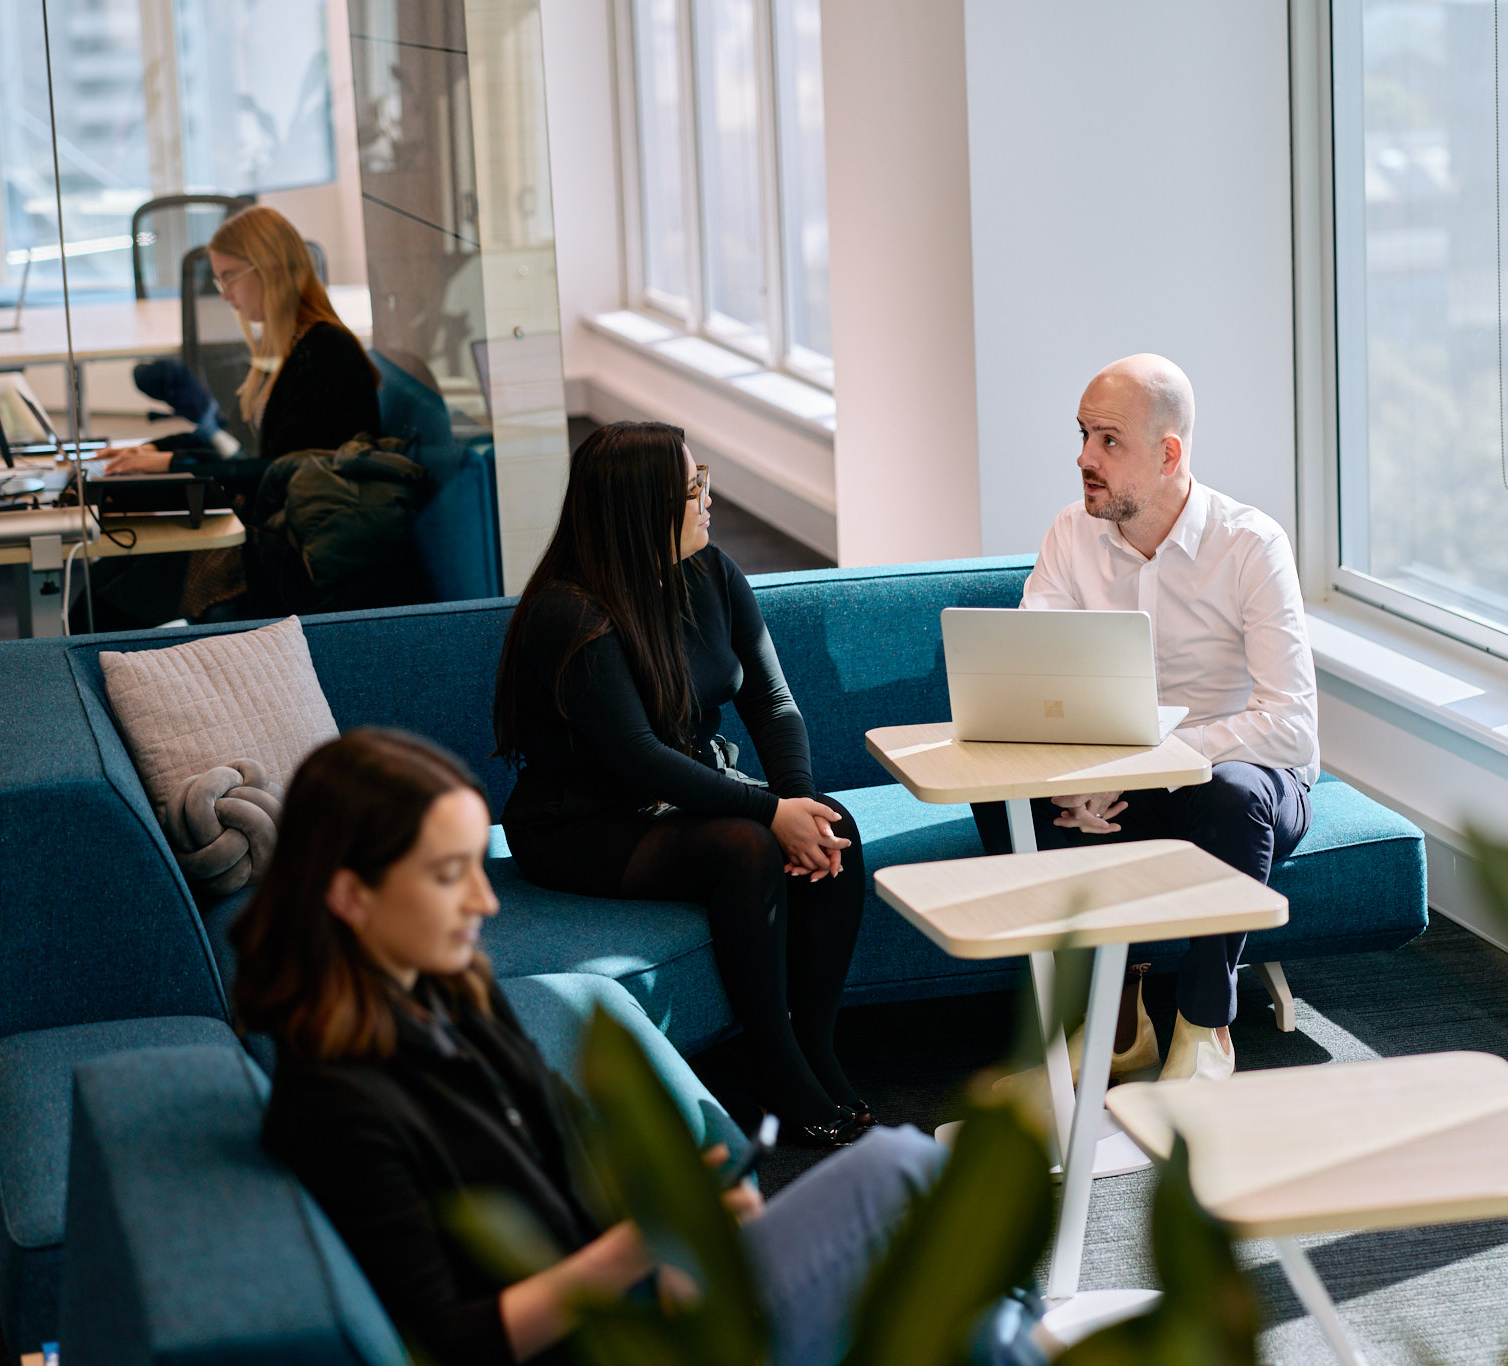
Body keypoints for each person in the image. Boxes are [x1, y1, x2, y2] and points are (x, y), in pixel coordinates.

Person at [235, 728, 1020, 1366]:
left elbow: (552, 1150)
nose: (484, 900)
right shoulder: (337, 1103)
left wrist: (680, 1228)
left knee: (929, 1219)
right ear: (350, 896)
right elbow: (450, 1341)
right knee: (904, 1173)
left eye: (477, 866)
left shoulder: (447, 991)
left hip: (648, 1301)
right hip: (615, 1343)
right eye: (448, 876)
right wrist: (643, 1245)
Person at [492, 422, 870, 1147]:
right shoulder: (569, 611)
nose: (707, 500)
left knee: (832, 825)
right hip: (582, 821)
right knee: (745, 848)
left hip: (684, 793)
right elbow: (637, 756)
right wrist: (769, 814)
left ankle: (815, 1049)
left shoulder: (712, 571)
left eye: (703, 482)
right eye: (692, 488)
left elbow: (772, 702)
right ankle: (777, 1067)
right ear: (641, 510)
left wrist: (795, 803)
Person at [973, 354, 1317, 1084]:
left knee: (1231, 792)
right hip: (1118, 783)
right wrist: (1070, 775)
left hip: (1234, 787)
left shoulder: (1251, 544)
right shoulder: (1071, 535)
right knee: (1004, 795)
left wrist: (1144, 762)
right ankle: (1115, 1019)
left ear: (1168, 454)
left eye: (1108, 441)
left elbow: (1290, 727)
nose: (1084, 458)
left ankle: (1205, 1025)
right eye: (1083, 435)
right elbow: (1031, 687)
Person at [86, 206, 382, 626]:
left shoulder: (325, 353)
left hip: (286, 544)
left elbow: (279, 472)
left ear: (270, 268)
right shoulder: (286, 343)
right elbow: (233, 439)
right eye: (218, 280)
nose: (223, 294)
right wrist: (154, 448)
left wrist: (173, 463)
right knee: (104, 582)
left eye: (229, 277)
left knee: (102, 602)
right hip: (257, 517)